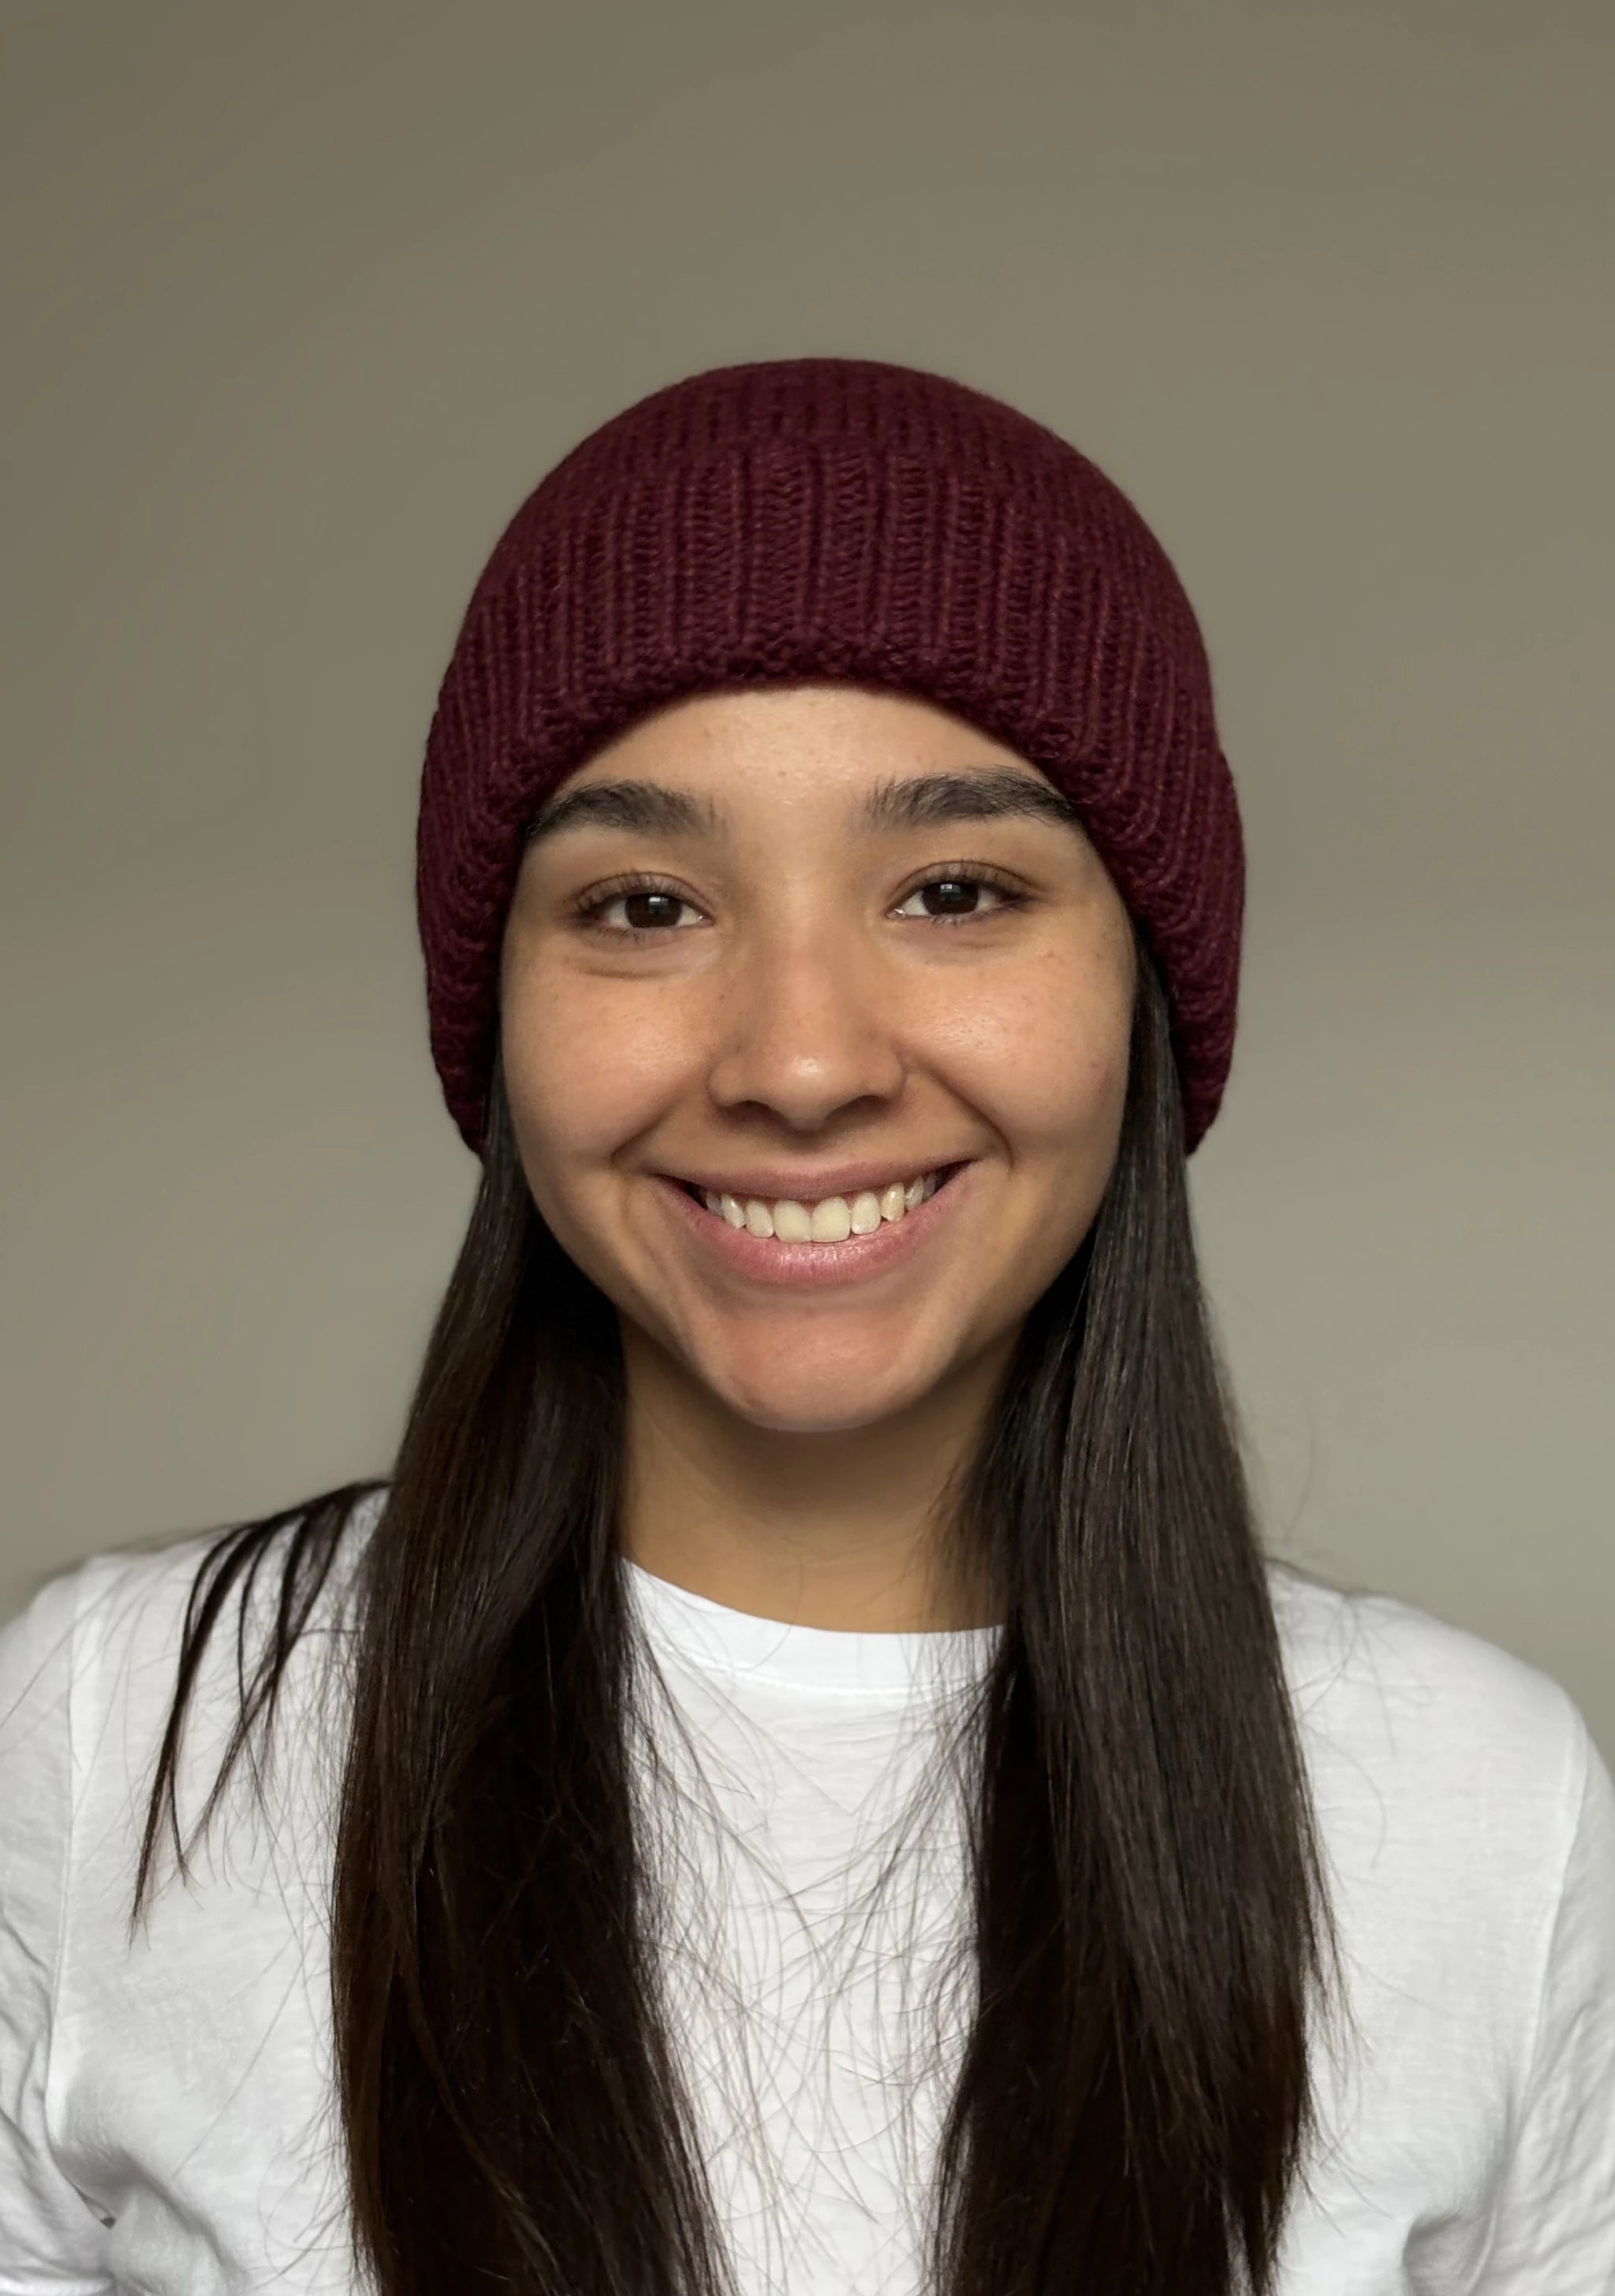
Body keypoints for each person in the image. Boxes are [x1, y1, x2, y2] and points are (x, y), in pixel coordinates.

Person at [0, 360, 1610, 2296]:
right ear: (497, 1007)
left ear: (1146, 998)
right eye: (645, 905)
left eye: (952, 888)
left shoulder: (1480, 1813)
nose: (799, 1061)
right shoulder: (120, 1736)